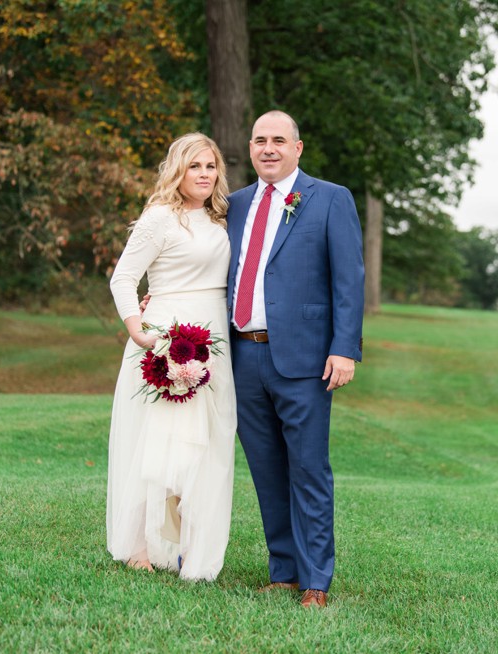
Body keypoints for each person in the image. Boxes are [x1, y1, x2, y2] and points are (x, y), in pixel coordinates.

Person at [227, 110, 364, 607]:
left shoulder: (329, 199)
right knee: (266, 470)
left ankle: (315, 581)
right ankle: (283, 571)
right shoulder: (236, 204)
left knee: (308, 469)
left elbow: (349, 280)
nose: (268, 148)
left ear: (297, 148)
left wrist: (345, 347)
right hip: (243, 357)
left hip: (305, 361)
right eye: (260, 140)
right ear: (250, 147)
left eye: (278, 140)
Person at [106, 133, 237, 582]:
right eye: (194, 166)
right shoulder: (160, 218)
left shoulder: (223, 217)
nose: (204, 174)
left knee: (206, 445)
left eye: (210, 166)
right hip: (168, 338)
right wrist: (139, 331)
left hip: (214, 339)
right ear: (176, 171)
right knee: (160, 444)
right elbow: (124, 279)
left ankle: (191, 548)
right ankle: (142, 544)